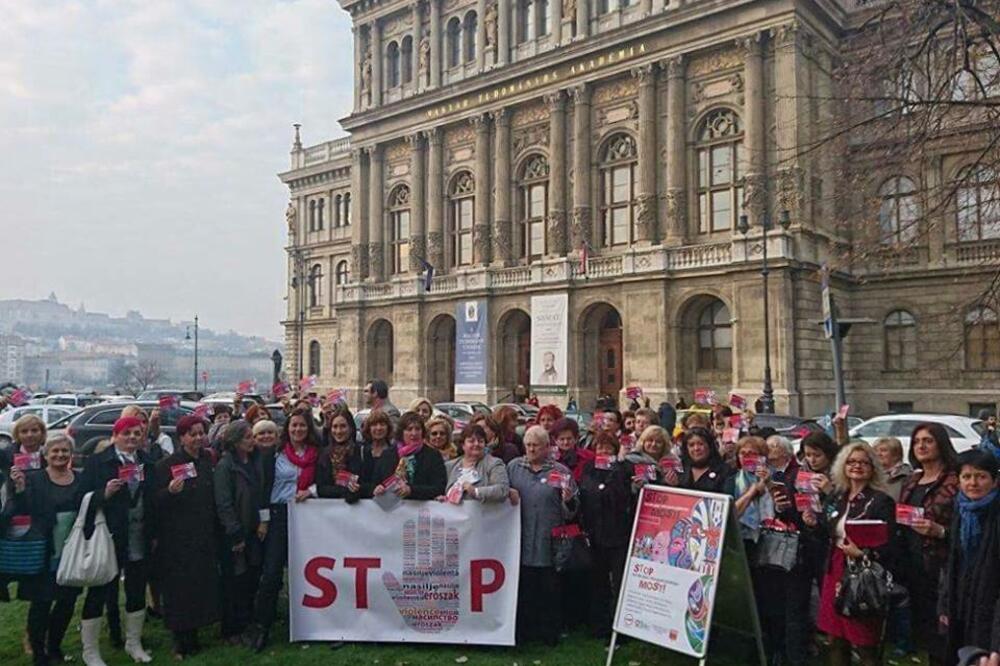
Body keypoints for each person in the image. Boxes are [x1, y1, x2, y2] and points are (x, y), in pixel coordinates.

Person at [806, 441, 896, 666]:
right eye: (852, 461)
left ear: (873, 467)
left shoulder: (881, 501)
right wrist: (813, 523)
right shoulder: (837, 496)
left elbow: (889, 545)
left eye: (864, 462)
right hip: (834, 568)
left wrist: (863, 553)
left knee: (864, 641)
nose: (857, 466)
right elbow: (826, 529)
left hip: (862, 573)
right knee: (835, 638)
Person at [78, 416, 154, 666]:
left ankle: (134, 643)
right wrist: (104, 494)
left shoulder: (146, 461)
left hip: (139, 534)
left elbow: (151, 496)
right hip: (109, 537)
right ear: (116, 434)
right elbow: (83, 498)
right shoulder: (99, 462)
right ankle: (90, 651)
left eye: (137, 433)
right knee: (99, 592)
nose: (132, 437)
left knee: (136, 590)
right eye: (127, 433)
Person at [245, 407, 322, 652]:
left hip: (308, 516)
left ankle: (308, 623)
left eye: (302, 425)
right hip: (279, 515)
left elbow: (325, 480)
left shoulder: (316, 454)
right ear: (287, 430)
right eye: (294, 426)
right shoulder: (276, 454)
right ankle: (261, 627)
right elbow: (264, 489)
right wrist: (264, 520)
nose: (298, 429)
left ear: (308, 429)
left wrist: (310, 491)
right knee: (272, 573)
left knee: (309, 573)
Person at [6, 434, 82, 666]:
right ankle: (39, 654)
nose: (60, 455)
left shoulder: (80, 479)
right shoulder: (34, 479)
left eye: (64, 451)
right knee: (41, 604)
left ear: (70, 455)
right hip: (43, 551)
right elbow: (20, 509)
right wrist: (18, 488)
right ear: (45, 455)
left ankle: (55, 647)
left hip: (72, 552)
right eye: (55, 451)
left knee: (67, 602)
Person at [151, 414, 220, 659]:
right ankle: (180, 639)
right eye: (193, 434)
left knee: (199, 586)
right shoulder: (166, 465)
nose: (198, 438)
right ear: (182, 437)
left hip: (202, 534)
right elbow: (155, 502)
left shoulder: (207, 461)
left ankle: (196, 634)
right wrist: (169, 492)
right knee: (179, 590)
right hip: (177, 538)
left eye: (201, 433)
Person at [507, 425, 578, 646]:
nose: (531, 450)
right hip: (521, 537)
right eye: (528, 445)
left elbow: (574, 510)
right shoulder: (513, 467)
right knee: (525, 588)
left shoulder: (561, 471)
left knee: (549, 588)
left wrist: (568, 501)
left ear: (547, 447)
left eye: (536, 446)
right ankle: (525, 632)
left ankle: (549, 634)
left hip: (550, 540)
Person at [897, 422, 959, 666]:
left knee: (944, 634)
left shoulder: (954, 480)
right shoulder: (912, 480)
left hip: (942, 567)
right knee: (925, 632)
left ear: (941, 444)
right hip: (914, 565)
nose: (921, 446)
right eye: (917, 441)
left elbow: (967, 528)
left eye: (928, 440)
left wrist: (940, 531)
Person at [941, 449, 1000, 660]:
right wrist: (945, 604)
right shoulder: (961, 510)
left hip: (990, 603)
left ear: (994, 481)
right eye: (966, 477)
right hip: (962, 601)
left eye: (981, 476)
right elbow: (952, 562)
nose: (973, 483)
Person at [213, 420, 266, 646]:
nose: (252, 441)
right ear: (235, 442)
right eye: (247, 438)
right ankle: (230, 628)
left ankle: (246, 623)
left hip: (254, 529)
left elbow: (261, 493)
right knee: (233, 581)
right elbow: (224, 502)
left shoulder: (254, 462)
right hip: (235, 533)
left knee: (250, 579)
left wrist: (263, 521)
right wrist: (235, 533)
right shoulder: (226, 466)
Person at [577, 431, 631, 638]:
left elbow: (623, 497)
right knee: (598, 583)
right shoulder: (589, 469)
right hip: (595, 534)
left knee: (618, 583)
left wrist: (616, 470)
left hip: (618, 535)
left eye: (608, 448)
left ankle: (621, 627)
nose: (604, 451)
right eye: (600, 447)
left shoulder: (623, 469)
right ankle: (598, 625)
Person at [372, 411, 447, 501]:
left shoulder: (433, 455)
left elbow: (439, 487)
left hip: (420, 510)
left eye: (417, 429)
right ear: (401, 432)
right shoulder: (388, 455)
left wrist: (412, 490)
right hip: (391, 510)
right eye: (409, 429)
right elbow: (375, 482)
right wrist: (378, 488)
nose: (414, 433)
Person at [440, 424, 509, 503]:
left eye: (480, 441)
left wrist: (475, 491)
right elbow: (441, 490)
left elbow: (502, 489)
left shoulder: (494, 463)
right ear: (463, 445)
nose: (476, 444)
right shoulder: (449, 466)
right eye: (471, 441)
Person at [315, 404, 362, 502]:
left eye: (343, 426)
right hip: (329, 511)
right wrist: (345, 490)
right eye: (335, 427)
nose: (338, 431)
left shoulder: (361, 451)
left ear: (350, 427)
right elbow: (321, 488)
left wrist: (357, 490)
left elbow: (366, 484)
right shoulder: (324, 454)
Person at [675, 427, 731, 493]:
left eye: (700, 444)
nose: (696, 448)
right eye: (691, 445)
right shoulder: (679, 469)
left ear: (710, 446)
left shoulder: (725, 471)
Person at [355, 409, 395, 498]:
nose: (379, 428)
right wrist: (372, 489)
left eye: (382, 424)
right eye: (374, 425)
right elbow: (357, 481)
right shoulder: (361, 450)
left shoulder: (395, 452)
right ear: (368, 428)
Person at [624, 425, 669, 497]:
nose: (654, 444)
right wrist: (635, 486)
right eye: (650, 440)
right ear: (643, 442)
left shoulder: (670, 465)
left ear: (664, 445)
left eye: (658, 442)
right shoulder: (631, 461)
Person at [550, 417, 594, 481]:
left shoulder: (589, 456)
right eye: (562, 439)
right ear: (555, 440)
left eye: (569, 439)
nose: (566, 442)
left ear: (576, 438)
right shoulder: (549, 459)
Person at [873, 436, 912, 501]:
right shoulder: (873, 474)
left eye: (883, 450)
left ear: (896, 455)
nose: (878, 454)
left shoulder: (908, 475)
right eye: (876, 451)